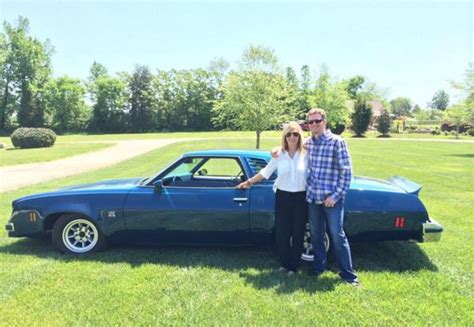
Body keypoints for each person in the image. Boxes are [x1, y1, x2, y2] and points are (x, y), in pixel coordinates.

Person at [237, 122, 308, 276]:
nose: (292, 137)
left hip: (301, 198)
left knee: (298, 232)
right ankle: (284, 264)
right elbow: (265, 172)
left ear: (299, 135)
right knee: (282, 233)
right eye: (288, 134)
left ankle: (294, 267)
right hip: (283, 196)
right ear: (284, 136)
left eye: (295, 134)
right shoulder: (279, 155)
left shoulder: (306, 154)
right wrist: (248, 182)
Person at [305, 108, 359, 286]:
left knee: (337, 235)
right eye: (310, 122)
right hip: (314, 198)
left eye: (317, 121)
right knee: (316, 235)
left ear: (324, 121)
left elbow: (347, 172)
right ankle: (319, 268)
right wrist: (276, 149)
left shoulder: (337, 142)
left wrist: (335, 197)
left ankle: (348, 275)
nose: (314, 124)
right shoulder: (308, 143)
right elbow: (289, 143)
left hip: (331, 200)